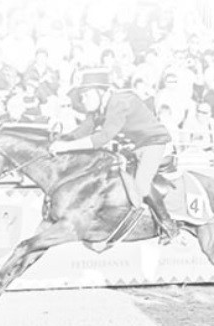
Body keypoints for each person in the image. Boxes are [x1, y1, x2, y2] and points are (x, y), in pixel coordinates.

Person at [50, 68, 179, 244]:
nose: (83, 100)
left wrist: (65, 147)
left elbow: (103, 137)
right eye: (81, 96)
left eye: (86, 94)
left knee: (141, 186)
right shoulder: (100, 108)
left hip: (155, 143)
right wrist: (60, 140)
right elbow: (83, 130)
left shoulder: (120, 101)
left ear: (100, 91)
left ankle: (169, 225)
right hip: (135, 146)